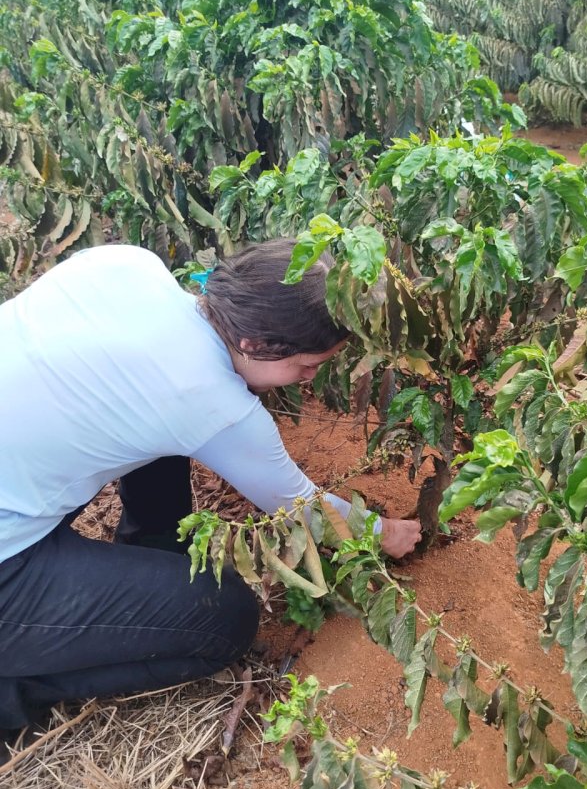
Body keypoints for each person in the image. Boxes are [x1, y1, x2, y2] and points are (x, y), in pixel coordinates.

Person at [0, 239, 421, 736]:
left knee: (154, 429)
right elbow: (305, 511)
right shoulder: (210, 403)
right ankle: (15, 691)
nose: (308, 380)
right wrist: (384, 532)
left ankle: (149, 550)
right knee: (225, 620)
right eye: (306, 366)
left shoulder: (126, 263)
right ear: (255, 345)